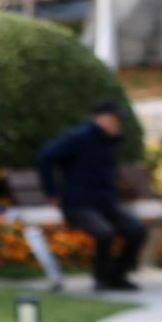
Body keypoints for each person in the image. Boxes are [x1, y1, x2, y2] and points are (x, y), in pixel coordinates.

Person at [37, 100, 148, 292]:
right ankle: (101, 279)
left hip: (105, 205)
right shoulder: (79, 138)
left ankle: (117, 277)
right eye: (115, 119)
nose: (117, 124)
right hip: (78, 204)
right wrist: (52, 192)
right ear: (100, 118)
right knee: (104, 233)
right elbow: (46, 156)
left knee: (137, 230)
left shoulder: (109, 142)